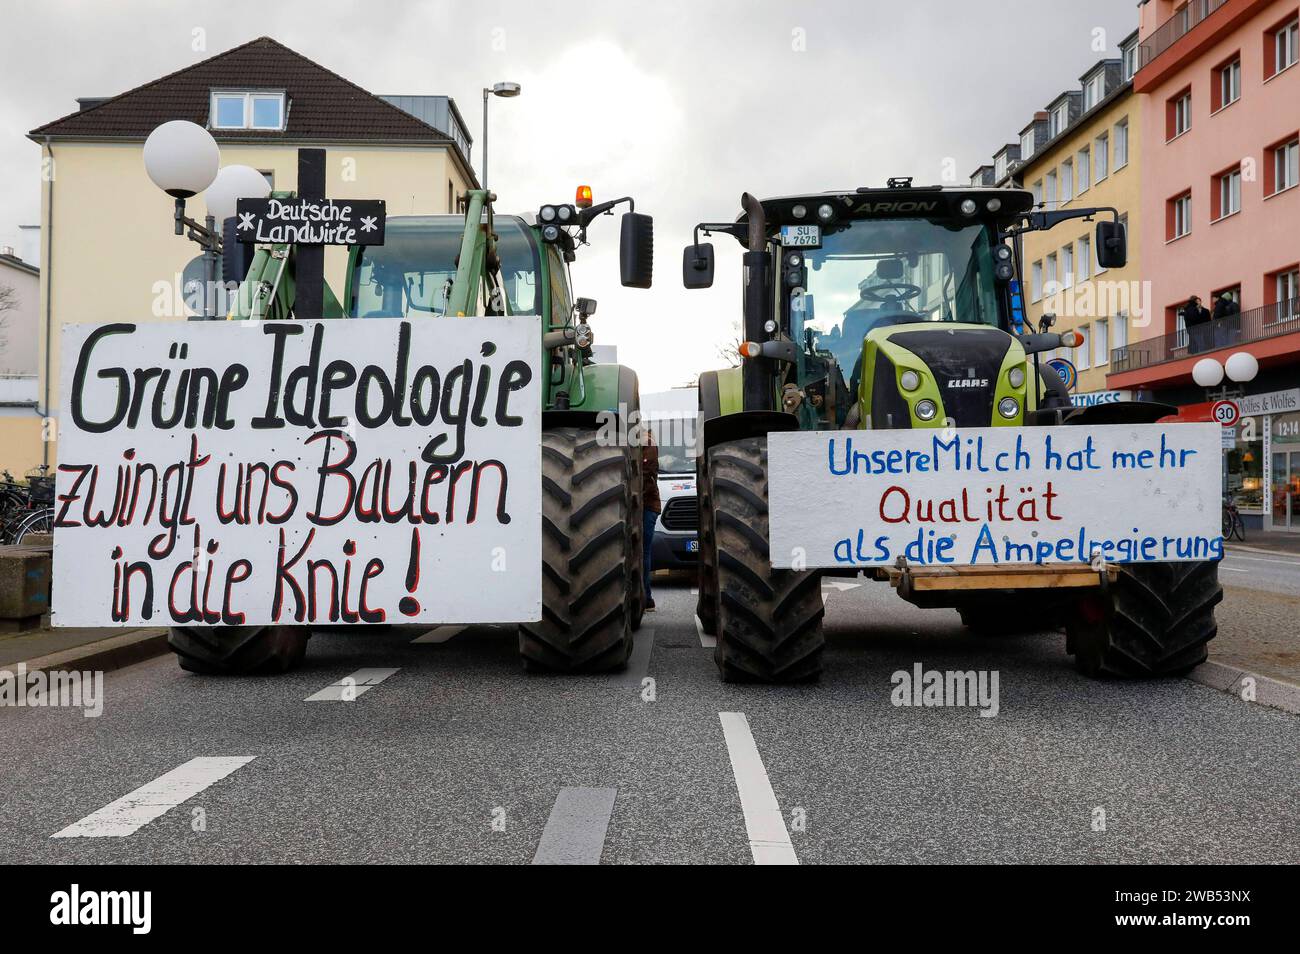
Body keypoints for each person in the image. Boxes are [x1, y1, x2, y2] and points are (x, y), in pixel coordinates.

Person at [641, 426, 661, 612]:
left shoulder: (648, 443)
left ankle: (647, 597)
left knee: (643, 550)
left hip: (647, 506)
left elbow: (647, 477)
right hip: (642, 504)